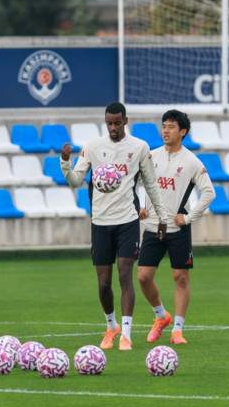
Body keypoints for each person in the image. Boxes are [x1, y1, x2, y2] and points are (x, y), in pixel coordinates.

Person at [61, 101, 169, 351]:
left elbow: (151, 185)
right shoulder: (93, 147)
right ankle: (111, 327)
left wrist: (161, 217)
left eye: (117, 123)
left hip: (127, 221)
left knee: (125, 275)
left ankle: (126, 335)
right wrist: (66, 164)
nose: (113, 128)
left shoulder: (139, 147)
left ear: (125, 121)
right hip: (100, 222)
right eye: (109, 123)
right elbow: (76, 180)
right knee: (103, 283)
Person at [137, 110, 215, 346]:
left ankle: (178, 330)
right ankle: (161, 316)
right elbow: (135, 183)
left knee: (180, 278)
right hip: (152, 227)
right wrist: (140, 205)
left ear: (182, 132)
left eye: (171, 126)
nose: (165, 131)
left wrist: (189, 217)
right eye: (163, 126)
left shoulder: (192, 161)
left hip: (178, 229)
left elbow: (209, 192)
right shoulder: (150, 156)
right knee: (143, 277)